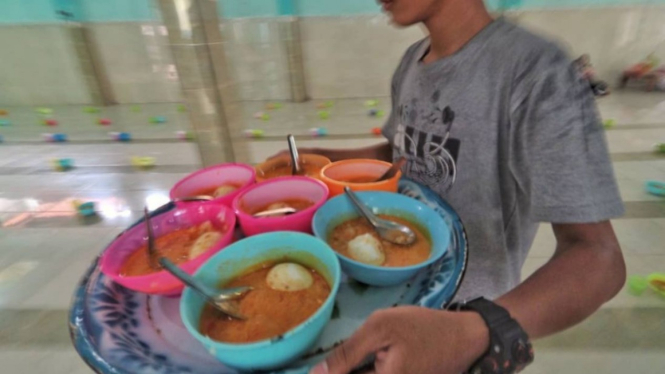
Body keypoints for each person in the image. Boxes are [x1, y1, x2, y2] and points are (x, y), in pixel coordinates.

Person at [296, 1, 626, 373]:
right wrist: (321, 160)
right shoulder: (411, 63)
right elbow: (404, 151)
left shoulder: (536, 71)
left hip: (460, 340)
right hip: (384, 312)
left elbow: (600, 258)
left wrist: (471, 330)